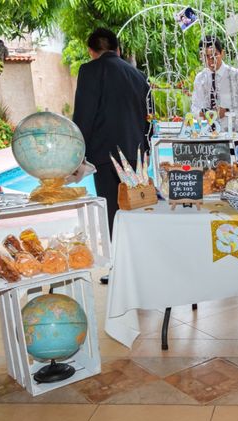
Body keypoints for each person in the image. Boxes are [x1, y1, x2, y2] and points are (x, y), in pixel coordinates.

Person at [73, 28, 149, 265]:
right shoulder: (137, 75)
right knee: (136, 209)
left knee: (113, 213)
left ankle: (120, 268)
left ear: (91, 51)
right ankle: (139, 264)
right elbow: (148, 116)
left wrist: (77, 155)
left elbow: (84, 116)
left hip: (105, 156)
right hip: (135, 155)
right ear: (118, 49)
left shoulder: (89, 70)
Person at [191, 36, 238, 130]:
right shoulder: (200, 78)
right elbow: (194, 107)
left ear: (222, 53)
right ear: (201, 56)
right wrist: (200, 113)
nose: (210, 60)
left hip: (235, 136)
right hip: (210, 135)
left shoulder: (237, 76)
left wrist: (227, 112)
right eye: (206, 56)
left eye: (214, 55)